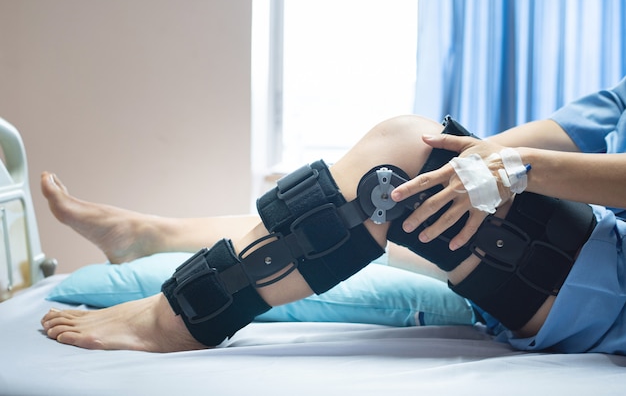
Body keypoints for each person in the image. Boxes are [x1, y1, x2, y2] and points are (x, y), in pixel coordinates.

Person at [41, 76, 626, 354]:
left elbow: (520, 160)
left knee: (391, 167)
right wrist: (463, 173)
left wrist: (514, 168)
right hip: (581, 249)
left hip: (609, 290)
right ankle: (152, 237)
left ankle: (177, 317)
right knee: (395, 185)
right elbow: (499, 150)